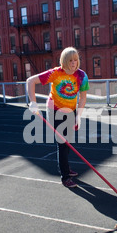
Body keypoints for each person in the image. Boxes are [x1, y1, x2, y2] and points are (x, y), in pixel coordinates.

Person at [27, 47, 89, 188]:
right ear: (64, 61)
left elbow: (83, 98)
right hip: (54, 110)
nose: (73, 63)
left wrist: (78, 116)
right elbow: (30, 81)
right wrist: (33, 103)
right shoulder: (55, 73)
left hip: (71, 110)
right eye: (70, 60)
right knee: (62, 143)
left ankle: (66, 168)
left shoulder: (81, 76)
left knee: (68, 141)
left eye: (76, 60)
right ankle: (65, 177)